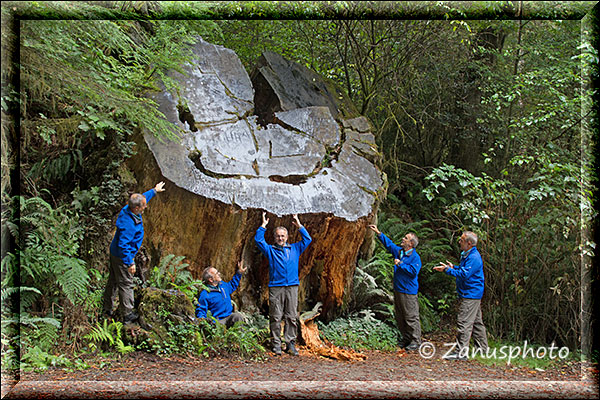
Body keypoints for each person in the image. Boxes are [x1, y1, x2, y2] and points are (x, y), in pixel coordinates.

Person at [102, 181, 166, 323]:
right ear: (137, 208)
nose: (146, 206)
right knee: (125, 283)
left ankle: (107, 308)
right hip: (121, 255)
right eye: (143, 206)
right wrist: (129, 262)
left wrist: (154, 191)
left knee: (113, 280)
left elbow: (142, 198)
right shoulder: (128, 224)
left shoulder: (129, 208)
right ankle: (127, 314)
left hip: (115, 252)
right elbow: (123, 244)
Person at [255, 212, 312, 356]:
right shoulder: (271, 250)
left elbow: (307, 239)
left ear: (287, 237)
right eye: (278, 236)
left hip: (292, 286)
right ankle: (276, 344)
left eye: (282, 236)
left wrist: (298, 225)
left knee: (291, 316)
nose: (280, 238)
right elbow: (258, 240)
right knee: (275, 316)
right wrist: (263, 226)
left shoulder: (295, 248)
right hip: (276, 287)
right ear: (274, 238)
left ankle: (290, 344)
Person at [434, 230, 488, 360]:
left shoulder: (474, 257)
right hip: (471, 293)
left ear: (469, 243)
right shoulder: (467, 255)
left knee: (464, 322)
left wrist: (447, 270)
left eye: (462, 240)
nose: (459, 242)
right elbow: (463, 270)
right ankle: (483, 350)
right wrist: (454, 267)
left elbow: (465, 274)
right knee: (476, 323)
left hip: (471, 294)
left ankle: (461, 352)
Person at [368, 224, 422, 351]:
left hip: (408, 291)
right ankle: (406, 338)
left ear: (411, 244)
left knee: (411, 316)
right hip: (398, 289)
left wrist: (401, 264)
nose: (403, 239)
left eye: (406, 238)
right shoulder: (400, 252)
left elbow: (413, 271)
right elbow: (390, 245)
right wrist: (379, 233)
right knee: (400, 315)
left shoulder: (415, 257)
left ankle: (416, 340)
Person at [195, 261, 247, 327]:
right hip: (218, 320)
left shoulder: (222, 285)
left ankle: (240, 336)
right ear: (211, 279)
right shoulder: (205, 294)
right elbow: (201, 309)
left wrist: (239, 273)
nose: (219, 273)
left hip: (229, 316)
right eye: (216, 273)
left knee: (238, 316)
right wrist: (202, 320)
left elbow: (232, 285)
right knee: (218, 327)